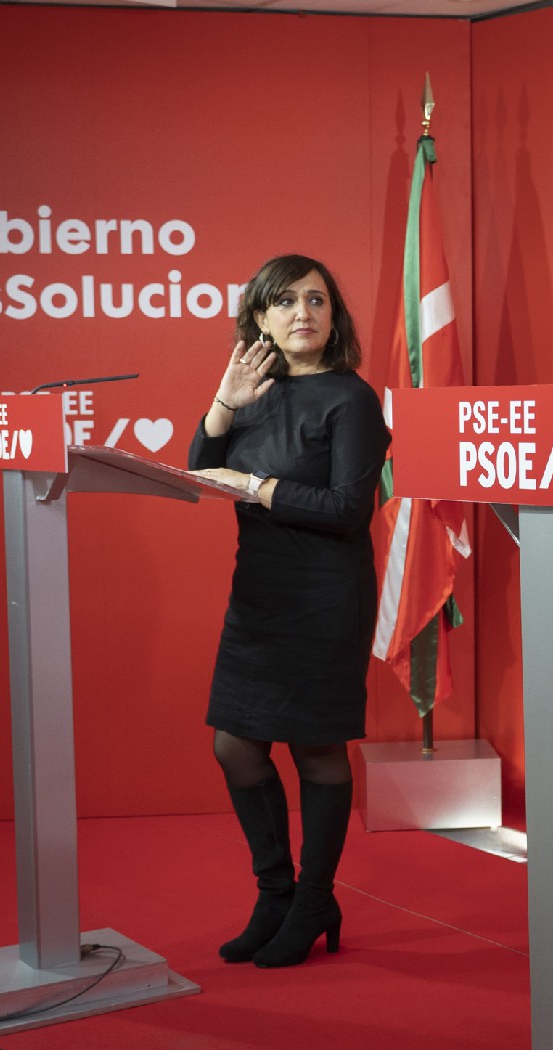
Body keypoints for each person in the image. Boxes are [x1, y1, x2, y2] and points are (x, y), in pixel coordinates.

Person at [188, 253, 390, 969]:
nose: (303, 311)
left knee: (314, 746)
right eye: (286, 301)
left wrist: (254, 483)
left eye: (317, 300)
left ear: (333, 318)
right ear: (260, 318)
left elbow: (346, 509)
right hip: (260, 594)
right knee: (234, 744)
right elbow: (197, 467)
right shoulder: (254, 391)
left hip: (325, 595)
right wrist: (223, 401)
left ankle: (313, 899)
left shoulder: (352, 399)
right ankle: (274, 893)